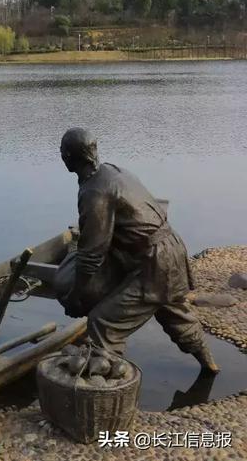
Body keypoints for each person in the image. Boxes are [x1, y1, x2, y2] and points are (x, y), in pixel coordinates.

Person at [59, 127, 219, 373]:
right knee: (175, 313)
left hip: (153, 262)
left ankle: (106, 388)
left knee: (103, 321)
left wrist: (75, 295)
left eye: (62, 152)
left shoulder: (94, 191)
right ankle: (210, 365)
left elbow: (91, 254)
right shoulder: (113, 170)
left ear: (68, 157)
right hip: (171, 250)